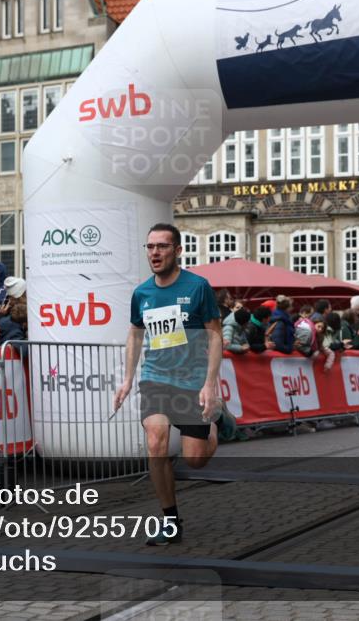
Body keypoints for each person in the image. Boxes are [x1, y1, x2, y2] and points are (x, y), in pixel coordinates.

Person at [113, 223, 235, 546]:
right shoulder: (142, 293)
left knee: (195, 458)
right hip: (155, 379)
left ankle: (216, 421)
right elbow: (135, 334)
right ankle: (170, 521)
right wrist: (127, 379)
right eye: (150, 246)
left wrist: (210, 386)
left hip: (191, 381)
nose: (155, 252)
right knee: (156, 443)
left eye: (162, 246)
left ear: (177, 250)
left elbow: (215, 334)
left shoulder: (198, 287)